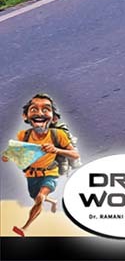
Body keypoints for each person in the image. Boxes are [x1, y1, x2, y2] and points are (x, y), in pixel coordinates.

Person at [3, 93, 78, 237]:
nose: (39, 113)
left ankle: (24, 228)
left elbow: (75, 154)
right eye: (33, 109)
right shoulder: (23, 135)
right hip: (31, 175)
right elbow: (15, 150)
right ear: (25, 116)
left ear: (54, 118)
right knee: (37, 197)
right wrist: (7, 155)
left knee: (40, 198)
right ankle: (53, 201)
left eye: (46, 109)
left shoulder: (58, 135)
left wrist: (56, 150)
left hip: (50, 173)